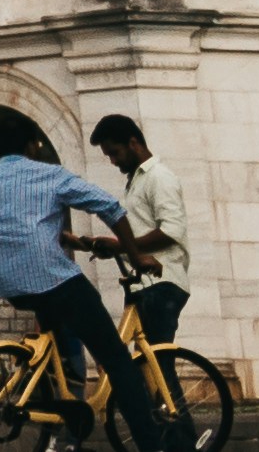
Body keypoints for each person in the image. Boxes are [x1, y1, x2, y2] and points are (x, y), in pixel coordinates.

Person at [0, 115, 181, 452]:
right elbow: (110, 208)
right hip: (51, 278)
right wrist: (136, 256)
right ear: (31, 145)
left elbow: (14, 224)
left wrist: (63, 236)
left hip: (5, 282)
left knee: (62, 350)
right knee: (118, 362)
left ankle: (67, 428)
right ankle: (152, 447)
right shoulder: (50, 175)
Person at [90, 115, 192, 352]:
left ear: (133, 143)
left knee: (156, 362)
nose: (113, 161)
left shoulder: (159, 177)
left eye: (115, 153)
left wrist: (120, 246)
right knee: (146, 364)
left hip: (162, 282)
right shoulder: (137, 180)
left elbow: (171, 231)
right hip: (144, 284)